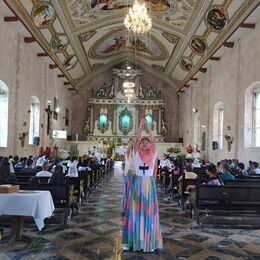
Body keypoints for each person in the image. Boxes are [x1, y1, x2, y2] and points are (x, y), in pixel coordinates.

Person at [123, 118, 163, 252]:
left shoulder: (153, 155)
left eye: (147, 142)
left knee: (149, 212)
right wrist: (140, 126)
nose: (145, 143)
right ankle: (136, 240)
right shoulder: (136, 154)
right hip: (139, 184)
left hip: (149, 185)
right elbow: (137, 138)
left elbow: (153, 140)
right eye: (142, 142)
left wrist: (149, 128)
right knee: (136, 211)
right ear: (138, 145)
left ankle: (147, 241)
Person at [122, 139, 135, 216]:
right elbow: (127, 153)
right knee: (129, 191)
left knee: (135, 192)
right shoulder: (129, 154)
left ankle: (134, 206)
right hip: (129, 174)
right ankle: (128, 207)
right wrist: (130, 144)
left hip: (136, 175)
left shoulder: (138, 153)